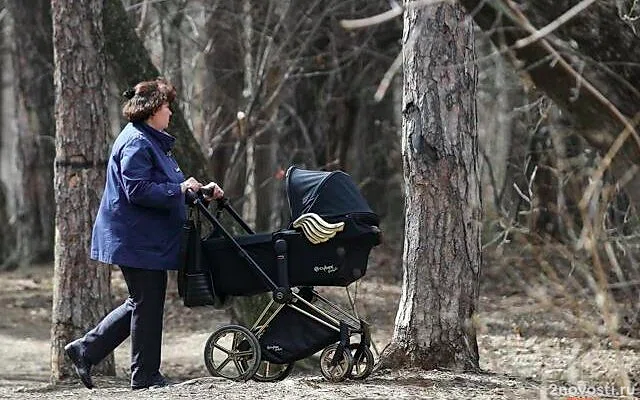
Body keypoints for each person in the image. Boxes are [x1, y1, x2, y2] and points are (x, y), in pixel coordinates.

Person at [64, 78, 224, 390]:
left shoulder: (152, 139)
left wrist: (199, 192)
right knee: (146, 301)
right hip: (133, 237)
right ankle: (144, 375)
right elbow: (137, 190)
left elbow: (164, 186)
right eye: (167, 107)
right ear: (152, 110)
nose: (170, 113)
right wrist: (179, 188)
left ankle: (87, 349)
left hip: (143, 238)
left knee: (142, 301)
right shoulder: (137, 142)